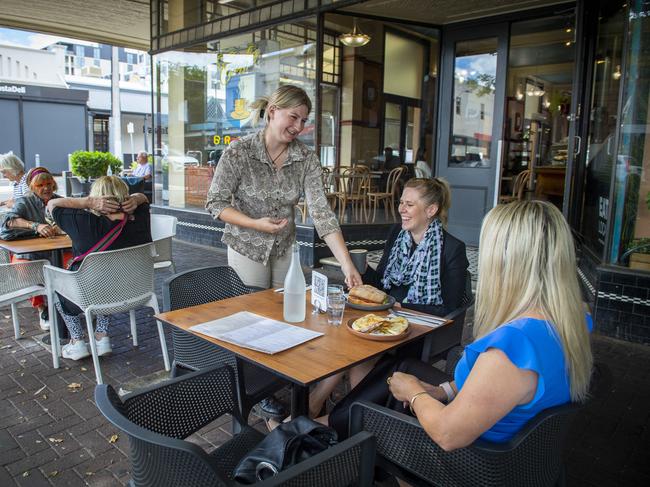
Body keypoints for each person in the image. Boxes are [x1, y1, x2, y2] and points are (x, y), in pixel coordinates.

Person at [330, 200, 594, 448]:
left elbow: (447, 434)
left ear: (507, 263)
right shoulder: (573, 319)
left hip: (469, 462)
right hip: (515, 447)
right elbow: (496, 388)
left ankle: (331, 431)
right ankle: (334, 422)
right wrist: (442, 390)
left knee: (382, 400)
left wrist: (414, 393)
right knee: (403, 367)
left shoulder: (512, 350)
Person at [206, 84, 362, 418]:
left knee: (288, 316)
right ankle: (254, 390)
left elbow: (322, 215)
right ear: (272, 111)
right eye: (294, 117)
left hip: (285, 249)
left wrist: (348, 265)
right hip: (246, 245)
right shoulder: (239, 152)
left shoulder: (305, 158)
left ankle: (281, 381)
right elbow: (215, 203)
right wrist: (254, 223)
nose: (298, 126)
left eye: (304, 120)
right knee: (251, 320)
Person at [309, 177, 468, 417]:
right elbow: (382, 282)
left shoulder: (452, 248)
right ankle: (350, 414)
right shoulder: (398, 234)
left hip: (419, 329)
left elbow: (451, 306)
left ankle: (329, 410)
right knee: (347, 341)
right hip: (384, 317)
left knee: (355, 349)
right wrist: (358, 270)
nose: (401, 209)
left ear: (431, 210)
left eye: (409, 204)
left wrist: (403, 306)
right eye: (401, 202)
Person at [46, 176, 151, 360]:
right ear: (124, 195)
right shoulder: (140, 216)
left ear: (96, 198)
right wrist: (135, 199)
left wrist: (88, 202)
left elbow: (52, 204)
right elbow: (144, 198)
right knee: (109, 279)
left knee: (55, 285)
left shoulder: (82, 222)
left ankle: (77, 341)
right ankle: (101, 337)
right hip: (134, 291)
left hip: (88, 296)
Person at [0, 167, 67, 329]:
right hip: (28, 252)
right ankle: (42, 309)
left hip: (57, 250)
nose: (46, 188)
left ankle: (65, 306)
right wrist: (35, 226)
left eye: (49, 183)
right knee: (25, 269)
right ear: (32, 187)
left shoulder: (59, 200)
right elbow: (8, 222)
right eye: (41, 185)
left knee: (71, 267)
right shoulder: (24, 201)